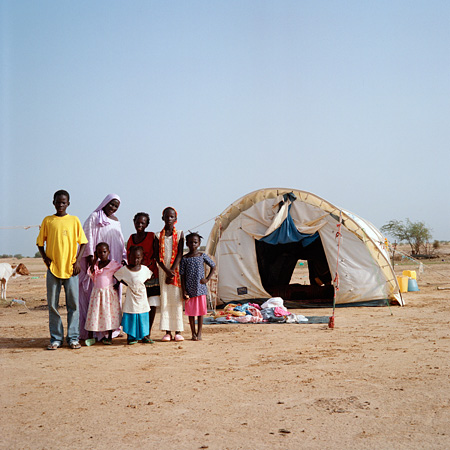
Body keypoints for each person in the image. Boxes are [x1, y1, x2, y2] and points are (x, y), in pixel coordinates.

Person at [36, 190, 88, 350]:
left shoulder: (74, 220)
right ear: (53, 202)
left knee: (73, 305)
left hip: (71, 270)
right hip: (53, 269)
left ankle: (73, 338)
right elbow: (39, 243)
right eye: (58, 202)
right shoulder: (48, 220)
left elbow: (83, 242)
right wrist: (45, 258)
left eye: (63, 202)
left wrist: (78, 262)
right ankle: (56, 338)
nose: (60, 205)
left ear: (68, 204)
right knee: (53, 305)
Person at [78, 194, 127, 342]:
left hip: (113, 262)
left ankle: (111, 330)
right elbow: (87, 237)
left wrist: (123, 258)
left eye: (116, 206)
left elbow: (120, 240)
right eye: (111, 204)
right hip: (98, 263)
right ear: (105, 203)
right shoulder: (94, 217)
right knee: (95, 298)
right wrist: (92, 259)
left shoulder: (116, 221)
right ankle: (94, 332)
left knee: (112, 297)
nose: (113, 208)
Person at [126, 212, 160, 343]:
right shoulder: (131, 238)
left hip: (151, 276)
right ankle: (135, 334)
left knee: (151, 305)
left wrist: (148, 268)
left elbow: (156, 255)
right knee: (137, 306)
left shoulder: (152, 236)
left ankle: (147, 333)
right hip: (136, 278)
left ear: (147, 224)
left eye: (143, 223)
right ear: (134, 222)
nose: (140, 225)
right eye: (138, 222)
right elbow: (129, 257)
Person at [155, 207, 185, 342]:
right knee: (165, 301)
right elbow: (157, 257)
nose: (169, 219)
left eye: (172, 217)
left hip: (176, 271)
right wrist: (167, 272)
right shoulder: (157, 236)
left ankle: (178, 331)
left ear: (176, 219)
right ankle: (167, 332)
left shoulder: (180, 234)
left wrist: (172, 271)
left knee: (176, 300)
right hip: (163, 272)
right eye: (167, 217)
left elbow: (179, 254)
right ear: (163, 218)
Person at [84, 242, 122, 346]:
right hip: (97, 293)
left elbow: (121, 273)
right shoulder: (95, 265)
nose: (102, 254)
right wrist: (95, 259)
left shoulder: (113, 264)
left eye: (104, 252)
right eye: (99, 252)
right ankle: (91, 336)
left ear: (109, 252)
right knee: (94, 314)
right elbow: (91, 272)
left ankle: (109, 336)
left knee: (108, 314)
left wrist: (117, 284)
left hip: (108, 293)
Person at [180, 233, 216, 341]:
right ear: (187, 244)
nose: (193, 245)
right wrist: (184, 290)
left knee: (200, 313)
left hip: (200, 289)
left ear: (199, 243)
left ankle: (199, 333)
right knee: (191, 313)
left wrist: (207, 279)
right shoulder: (184, 258)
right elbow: (182, 275)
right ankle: (193, 333)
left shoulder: (202, 256)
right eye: (190, 242)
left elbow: (213, 266)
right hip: (189, 290)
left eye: (195, 242)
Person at [114, 246, 152, 344]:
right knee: (131, 316)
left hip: (142, 298)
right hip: (131, 298)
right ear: (129, 257)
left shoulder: (144, 269)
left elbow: (150, 277)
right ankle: (131, 337)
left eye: (138, 258)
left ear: (142, 258)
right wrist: (127, 283)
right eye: (133, 257)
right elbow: (116, 276)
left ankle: (144, 336)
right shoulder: (125, 270)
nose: (136, 260)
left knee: (142, 316)